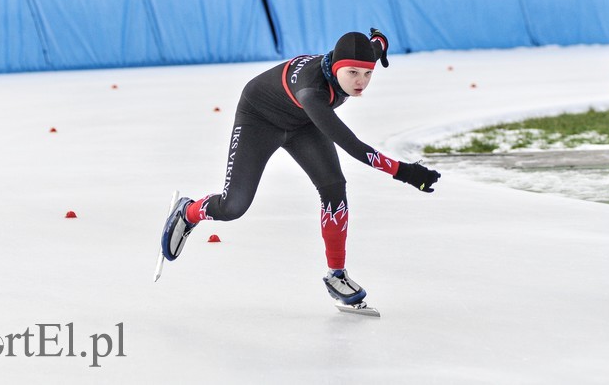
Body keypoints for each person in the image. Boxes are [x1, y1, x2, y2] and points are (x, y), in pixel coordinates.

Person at [160, 28, 441, 306]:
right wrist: (405, 172)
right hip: (259, 120)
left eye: (368, 73)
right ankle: (188, 212)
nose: (361, 82)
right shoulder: (312, 92)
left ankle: (337, 274)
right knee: (233, 207)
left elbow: (378, 43)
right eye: (353, 73)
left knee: (334, 188)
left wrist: (379, 40)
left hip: (302, 124)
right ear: (337, 67)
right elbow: (354, 147)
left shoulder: (363, 59)